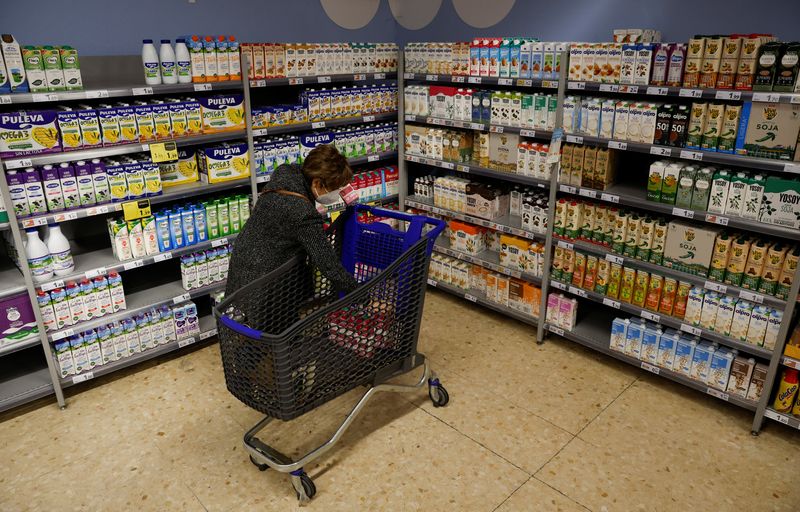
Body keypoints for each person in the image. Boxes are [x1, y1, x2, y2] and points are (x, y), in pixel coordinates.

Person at [225, 144, 360, 297]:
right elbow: (328, 264)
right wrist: (358, 293)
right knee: (273, 320)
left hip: (242, 267)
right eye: (334, 188)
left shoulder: (285, 174)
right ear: (316, 183)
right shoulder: (302, 213)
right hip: (264, 283)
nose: (337, 193)